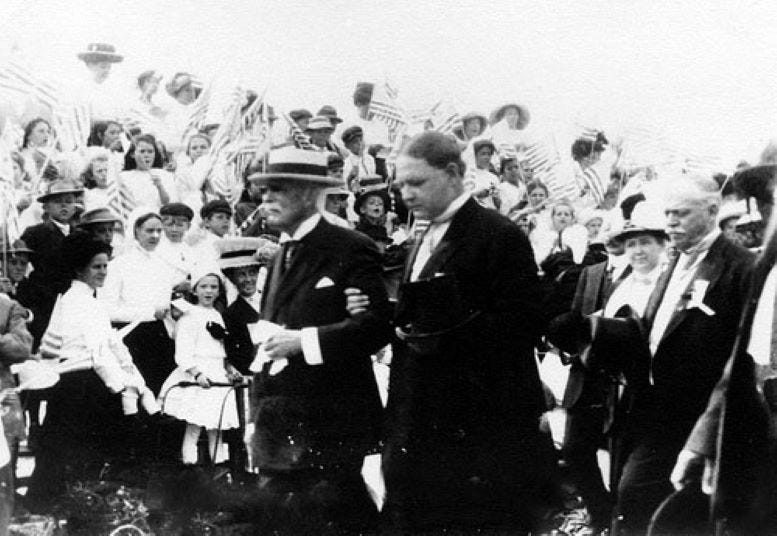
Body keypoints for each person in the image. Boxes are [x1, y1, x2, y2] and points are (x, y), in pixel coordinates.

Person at [381, 131, 555, 533]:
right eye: (401, 184)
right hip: (421, 423)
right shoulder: (421, 235)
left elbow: (524, 321)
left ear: (455, 173)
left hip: (478, 430)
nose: (405, 194)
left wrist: (444, 326)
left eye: (417, 182)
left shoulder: (498, 235)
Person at [589, 175, 754, 534]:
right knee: (635, 500)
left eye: (680, 213)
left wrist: (708, 433)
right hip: (648, 409)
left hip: (696, 416)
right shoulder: (673, 261)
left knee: (648, 501)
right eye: (667, 213)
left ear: (712, 211)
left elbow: (740, 358)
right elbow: (652, 331)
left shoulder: (740, 268)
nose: (670, 223)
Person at [245, 146, 392, 533]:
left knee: (340, 516)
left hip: (331, 419)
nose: (266, 200)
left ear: (309, 194)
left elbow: (376, 326)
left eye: (277, 189)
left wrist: (305, 342)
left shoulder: (350, 246)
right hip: (280, 420)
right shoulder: (280, 255)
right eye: (264, 191)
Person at [25, 234, 128, 510]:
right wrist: (120, 386)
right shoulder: (78, 301)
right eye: (97, 267)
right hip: (81, 386)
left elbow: (108, 344)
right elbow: (98, 354)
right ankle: (65, 508)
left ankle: (73, 506)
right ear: (79, 269)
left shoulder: (83, 299)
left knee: (67, 451)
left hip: (78, 385)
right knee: (71, 452)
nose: (103, 272)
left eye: (106, 266)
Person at [160, 268, 240, 465]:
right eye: (203, 286)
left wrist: (230, 369)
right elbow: (183, 352)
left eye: (213, 287)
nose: (208, 291)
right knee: (194, 424)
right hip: (198, 372)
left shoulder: (218, 315)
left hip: (217, 372)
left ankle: (219, 467)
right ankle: (189, 466)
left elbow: (221, 348)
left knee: (217, 425)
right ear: (194, 290)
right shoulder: (189, 316)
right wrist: (197, 374)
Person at [100, 212, 179, 395]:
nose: (155, 236)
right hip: (131, 337)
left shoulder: (163, 264)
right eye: (149, 231)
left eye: (159, 231)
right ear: (136, 231)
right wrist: (150, 312)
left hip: (160, 335)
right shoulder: (118, 265)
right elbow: (108, 310)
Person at [18, 179, 83, 347]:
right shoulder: (35, 233)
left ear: (75, 206)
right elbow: (20, 262)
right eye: (57, 202)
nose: (63, 206)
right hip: (43, 299)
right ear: (46, 207)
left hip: (73, 300)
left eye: (68, 201)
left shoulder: (82, 235)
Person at [120, 134, 177, 210]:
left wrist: (160, 187)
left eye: (150, 151)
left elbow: (168, 204)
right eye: (142, 151)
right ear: (133, 154)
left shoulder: (165, 175)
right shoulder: (124, 177)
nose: (146, 155)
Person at [156, 202, 196, 282]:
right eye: (169, 225)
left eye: (179, 225)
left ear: (188, 226)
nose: (174, 229)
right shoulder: (155, 248)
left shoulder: (192, 250)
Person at [464, 139, 501, 210]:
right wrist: (478, 194)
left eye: (489, 154)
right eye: (483, 154)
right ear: (474, 155)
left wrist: (495, 197)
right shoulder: (467, 174)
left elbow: (498, 205)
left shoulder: (493, 177)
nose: (487, 157)